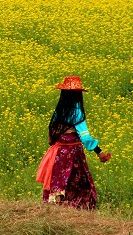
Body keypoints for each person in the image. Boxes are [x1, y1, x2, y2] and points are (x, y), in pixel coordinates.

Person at [36, 76, 111, 210]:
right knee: (79, 182)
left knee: (58, 180)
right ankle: (77, 209)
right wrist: (99, 152)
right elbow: (85, 137)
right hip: (73, 154)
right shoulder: (76, 112)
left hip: (57, 153)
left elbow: (52, 132)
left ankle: (53, 208)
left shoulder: (60, 110)